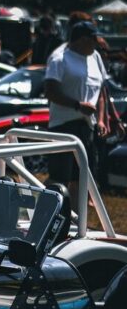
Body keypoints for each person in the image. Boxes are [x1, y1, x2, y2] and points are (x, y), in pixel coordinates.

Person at [44, 21, 107, 212]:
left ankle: (78, 221)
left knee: (81, 177)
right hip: (64, 125)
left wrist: (102, 119)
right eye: (93, 40)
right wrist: (77, 105)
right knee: (59, 177)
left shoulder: (95, 56)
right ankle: (47, 214)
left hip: (87, 126)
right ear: (82, 40)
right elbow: (50, 92)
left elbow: (101, 92)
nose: (97, 44)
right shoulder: (59, 58)